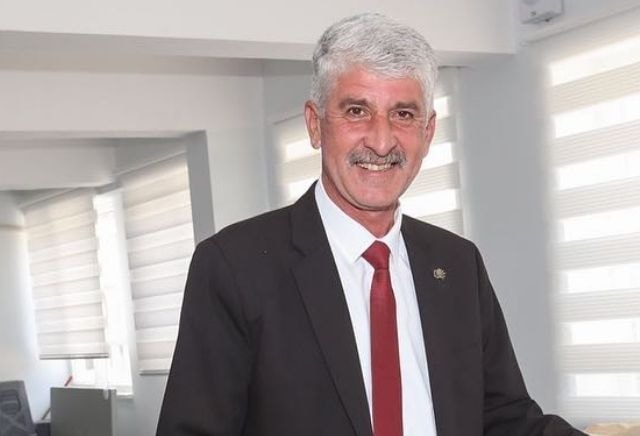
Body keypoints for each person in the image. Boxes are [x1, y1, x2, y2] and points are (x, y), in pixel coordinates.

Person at [156, 13, 585, 436]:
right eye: (357, 110)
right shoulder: (235, 266)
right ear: (315, 124)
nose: (381, 141)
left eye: (403, 114)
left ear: (428, 132)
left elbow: (504, 418)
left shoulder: (457, 263)